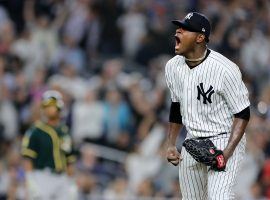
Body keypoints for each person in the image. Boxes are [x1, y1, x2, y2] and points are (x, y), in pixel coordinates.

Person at [165, 12, 250, 199]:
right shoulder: (172, 67)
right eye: (179, 27)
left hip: (223, 138)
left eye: (185, 29)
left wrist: (226, 154)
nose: (178, 30)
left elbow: (243, 113)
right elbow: (176, 106)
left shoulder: (225, 69)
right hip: (193, 139)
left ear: (200, 37)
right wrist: (171, 143)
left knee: (219, 196)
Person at [21, 90, 77, 200]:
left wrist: (71, 182)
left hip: (62, 177)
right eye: (47, 106)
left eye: (52, 106)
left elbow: (69, 159)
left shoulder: (64, 131)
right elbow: (28, 158)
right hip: (42, 176)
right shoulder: (36, 131)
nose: (49, 109)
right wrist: (30, 180)